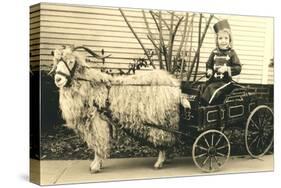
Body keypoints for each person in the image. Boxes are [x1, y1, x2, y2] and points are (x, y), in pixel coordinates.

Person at [201, 19, 242, 105]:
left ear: (229, 40)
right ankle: (201, 108)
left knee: (212, 90)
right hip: (213, 81)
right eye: (220, 38)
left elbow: (238, 68)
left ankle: (206, 109)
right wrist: (209, 70)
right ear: (217, 40)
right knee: (202, 87)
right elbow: (209, 64)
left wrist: (227, 69)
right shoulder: (214, 52)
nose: (223, 41)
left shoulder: (232, 53)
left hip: (226, 82)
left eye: (226, 38)